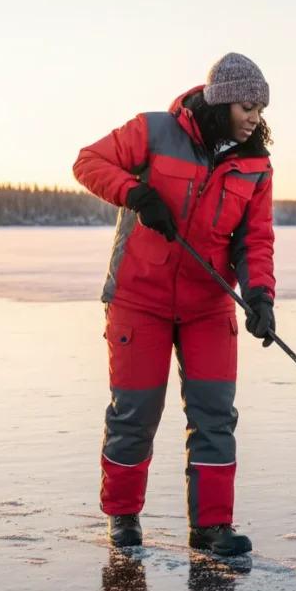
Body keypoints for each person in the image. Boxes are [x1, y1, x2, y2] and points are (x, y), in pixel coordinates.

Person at [72, 52, 277, 556]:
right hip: (139, 299)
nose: (255, 117)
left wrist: (259, 295)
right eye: (247, 105)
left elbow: (255, 239)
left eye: (261, 108)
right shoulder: (155, 131)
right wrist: (136, 195)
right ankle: (122, 517)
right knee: (135, 413)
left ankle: (211, 528)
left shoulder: (255, 164)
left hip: (209, 306)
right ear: (223, 101)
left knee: (214, 415)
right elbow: (88, 162)